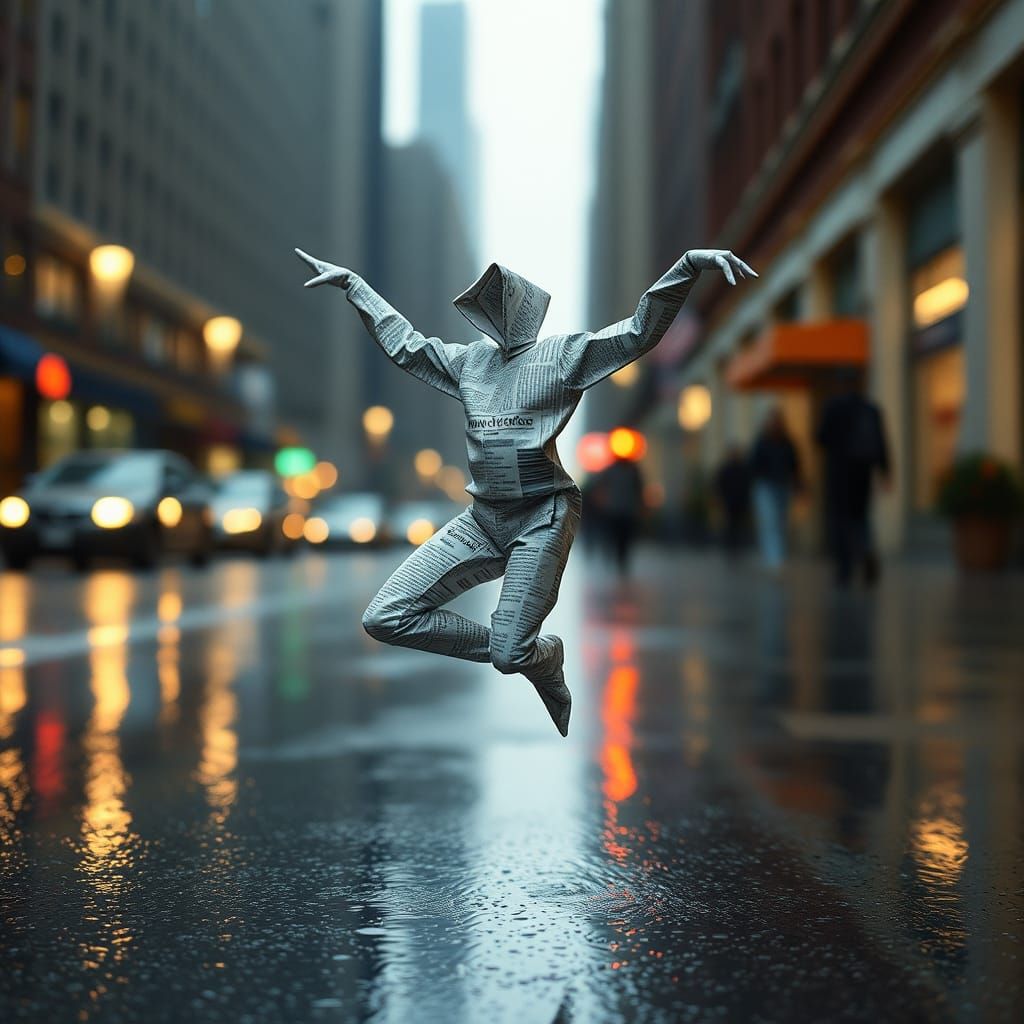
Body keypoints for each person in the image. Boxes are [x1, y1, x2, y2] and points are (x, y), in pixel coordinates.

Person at [295, 247, 757, 736]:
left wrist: (685, 267)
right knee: (385, 617)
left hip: (543, 516)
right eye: (487, 306)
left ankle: (533, 654)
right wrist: (354, 287)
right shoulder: (471, 363)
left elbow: (638, 332)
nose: (497, 315)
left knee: (510, 654)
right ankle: (526, 650)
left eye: (503, 303)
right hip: (482, 519)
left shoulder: (564, 356)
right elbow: (407, 346)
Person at [816, 376, 891, 586]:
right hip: (863, 473)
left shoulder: (833, 407)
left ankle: (845, 568)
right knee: (861, 517)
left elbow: (820, 437)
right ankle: (865, 550)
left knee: (840, 520)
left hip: (839, 473)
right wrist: (886, 471)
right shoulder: (871, 409)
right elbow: (882, 442)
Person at [748, 408, 801, 571]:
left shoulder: (787, 442)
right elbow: (753, 465)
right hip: (765, 486)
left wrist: (798, 483)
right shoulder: (762, 442)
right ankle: (774, 557)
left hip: (782, 485)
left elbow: (795, 465)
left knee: (780, 520)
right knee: (770, 521)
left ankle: (777, 555)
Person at [595, 454, 645, 576]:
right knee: (619, 536)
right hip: (620, 510)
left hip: (620, 509)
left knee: (621, 537)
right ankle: (619, 559)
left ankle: (619, 558)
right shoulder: (631, 471)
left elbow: (639, 490)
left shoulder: (628, 471)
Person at [713, 443, 752, 557]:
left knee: (738, 524)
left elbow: (747, 484)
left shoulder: (742, 469)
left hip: (739, 500)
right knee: (731, 524)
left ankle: (737, 546)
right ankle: (731, 546)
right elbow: (719, 484)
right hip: (730, 501)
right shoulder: (726, 469)